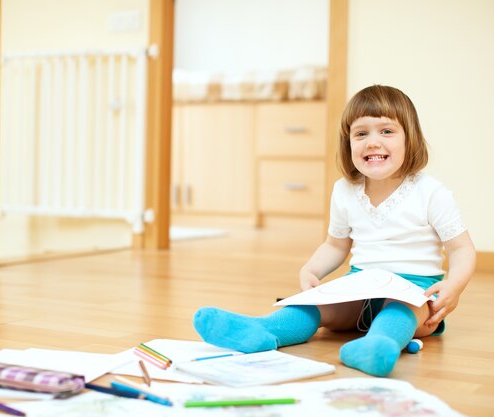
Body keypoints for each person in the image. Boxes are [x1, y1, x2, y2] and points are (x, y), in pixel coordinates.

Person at [193, 85, 476, 377]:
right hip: (361, 286)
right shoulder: (344, 191)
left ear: (410, 138)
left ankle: (378, 345)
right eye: (361, 133)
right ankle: (263, 330)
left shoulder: (430, 192)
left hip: (416, 292)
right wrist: (311, 268)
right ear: (348, 142)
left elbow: (461, 248)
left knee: (399, 312)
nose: (373, 142)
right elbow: (335, 245)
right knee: (316, 306)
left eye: (387, 131)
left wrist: (454, 287)